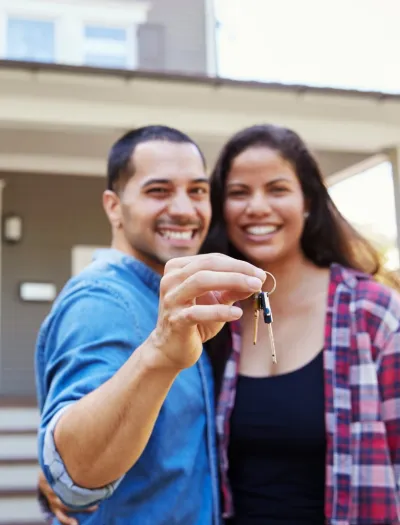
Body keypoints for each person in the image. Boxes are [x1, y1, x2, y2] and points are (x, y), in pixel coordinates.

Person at [35, 125, 267, 525]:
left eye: (197, 190)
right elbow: (73, 476)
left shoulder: (174, 297)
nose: (183, 208)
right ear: (113, 206)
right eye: (158, 190)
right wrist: (158, 353)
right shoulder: (101, 302)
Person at [201, 124, 400, 525]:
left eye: (277, 189)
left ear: (307, 201)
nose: (257, 206)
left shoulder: (372, 313)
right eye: (239, 192)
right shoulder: (213, 315)